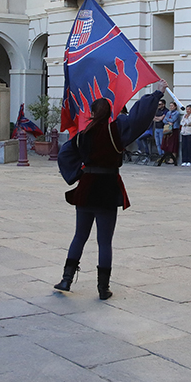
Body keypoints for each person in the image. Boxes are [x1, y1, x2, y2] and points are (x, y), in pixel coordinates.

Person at [56, 82, 166, 299]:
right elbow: (138, 116)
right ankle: (103, 288)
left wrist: (76, 173)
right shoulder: (117, 128)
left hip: (87, 186)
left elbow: (64, 155)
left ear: (92, 113)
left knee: (79, 235)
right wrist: (157, 93)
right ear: (110, 112)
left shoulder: (82, 134)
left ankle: (66, 279)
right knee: (104, 241)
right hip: (107, 186)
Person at [156, 101, 180, 166]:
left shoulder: (177, 113)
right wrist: (168, 121)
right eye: (170, 106)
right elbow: (164, 120)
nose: (171, 107)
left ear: (175, 106)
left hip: (174, 130)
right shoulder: (168, 112)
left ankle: (173, 158)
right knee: (167, 144)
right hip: (167, 129)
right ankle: (168, 158)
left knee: (173, 144)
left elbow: (173, 120)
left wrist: (167, 120)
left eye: (172, 106)